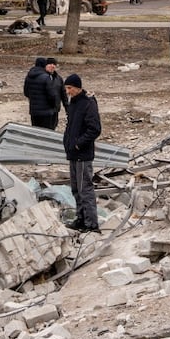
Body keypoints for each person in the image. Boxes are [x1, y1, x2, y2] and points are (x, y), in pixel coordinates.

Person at [63, 73, 101, 233]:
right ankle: (81, 219)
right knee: (75, 189)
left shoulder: (88, 103)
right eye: (66, 89)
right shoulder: (74, 103)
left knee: (85, 189)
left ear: (77, 87)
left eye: (70, 88)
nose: (67, 92)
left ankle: (92, 224)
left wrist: (79, 144)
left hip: (83, 154)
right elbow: (71, 125)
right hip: (72, 153)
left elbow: (95, 129)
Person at [23, 57, 53, 128]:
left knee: (36, 132)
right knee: (46, 133)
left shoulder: (29, 76)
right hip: (46, 112)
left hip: (34, 111)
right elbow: (51, 94)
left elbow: (26, 92)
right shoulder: (46, 77)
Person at [43, 58, 67, 128]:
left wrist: (67, 107)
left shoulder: (58, 79)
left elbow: (63, 94)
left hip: (55, 110)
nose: (52, 66)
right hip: (44, 110)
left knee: (53, 128)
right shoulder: (42, 78)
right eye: (50, 64)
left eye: (54, 64)